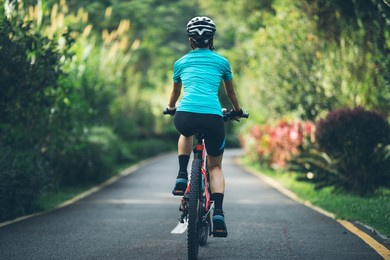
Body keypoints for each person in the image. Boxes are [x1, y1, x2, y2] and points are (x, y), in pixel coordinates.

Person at [165, 16, 243, 238]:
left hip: (185, 115)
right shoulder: (222, 62)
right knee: (215, 167)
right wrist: (236, 110)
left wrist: (171, 107)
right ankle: (218, 213)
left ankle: (182, 175)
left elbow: (175, 94)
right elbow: (230, 93)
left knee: (185, 132)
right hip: (212, 117)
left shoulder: (180, 63)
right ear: (212, 39)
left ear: (190, 39)